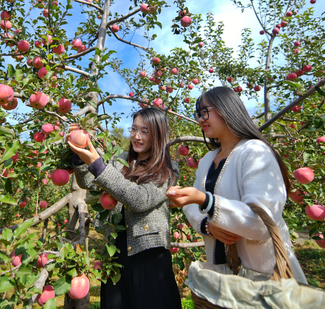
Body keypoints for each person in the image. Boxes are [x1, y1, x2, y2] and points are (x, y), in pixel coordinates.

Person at [166, 86, 307, 283]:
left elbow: (262, 222)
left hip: (264, 273)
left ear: (227, 108)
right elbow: (192, 204)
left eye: (205, 112)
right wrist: (207, 225)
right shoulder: (207, 159)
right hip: (225, 275)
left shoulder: (255, 152)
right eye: (198, 114)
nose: (200, 119)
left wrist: (207, 201)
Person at [67, 107, 182, 309]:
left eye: (145, 131)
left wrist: (100, 166)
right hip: (115, 251)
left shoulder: (167, 169)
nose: (137, 136)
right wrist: (80, 155)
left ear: (158, 134)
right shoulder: (121, 159)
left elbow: (139, 199)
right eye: (134, 129)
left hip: (149, 254)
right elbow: (90, 182)